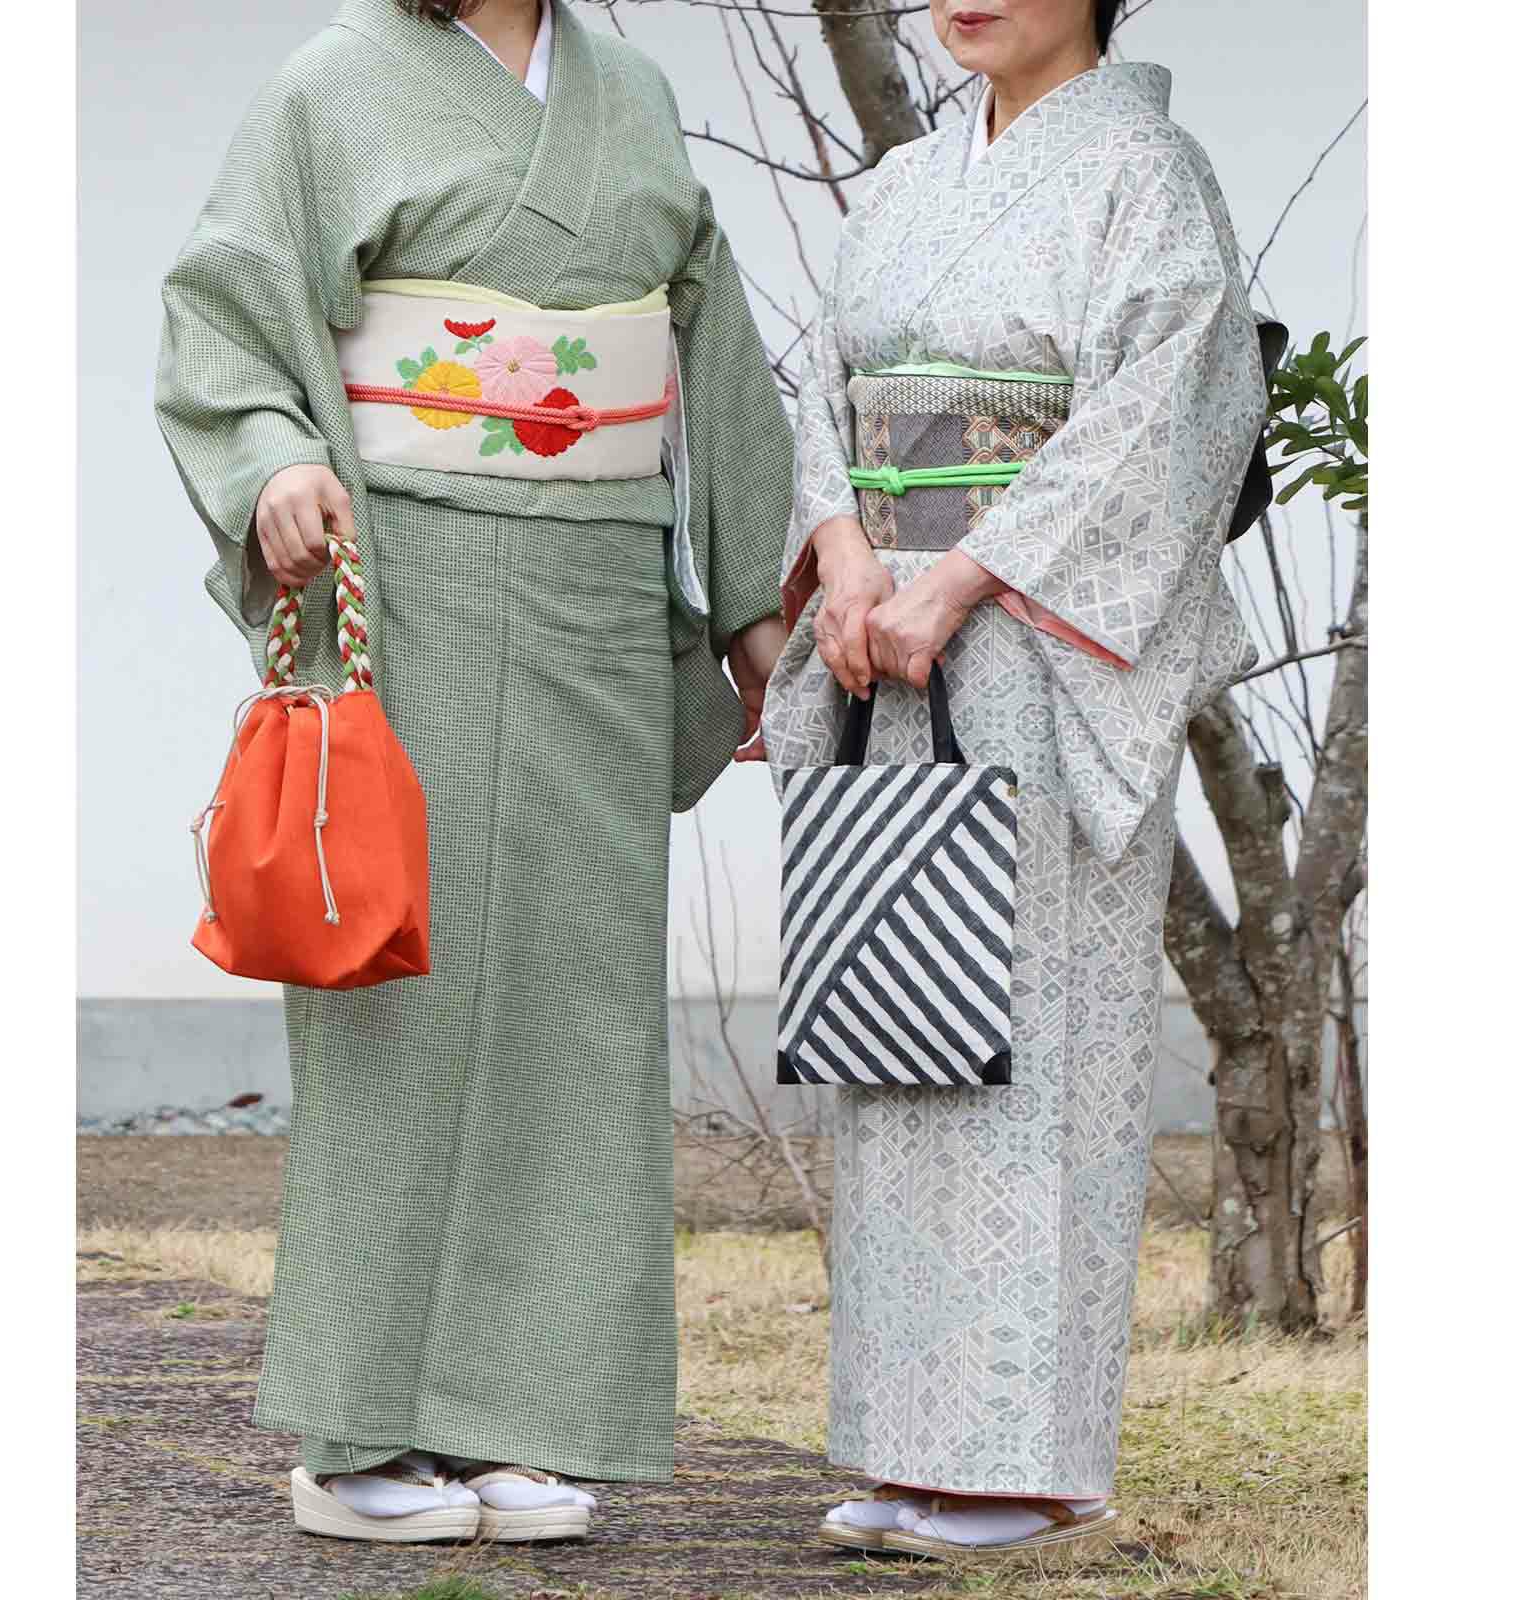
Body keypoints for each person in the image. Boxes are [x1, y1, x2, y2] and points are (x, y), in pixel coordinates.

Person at [155, 0, 791, 1544]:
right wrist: (273, 456)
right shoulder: (330, 89)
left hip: (596, 585)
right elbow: (227, 311)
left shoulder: (630, 92)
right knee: (399, 994)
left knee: (579, 1006)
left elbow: (709, 362)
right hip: (408, 576)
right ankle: (358, 1433)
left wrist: (751, 604)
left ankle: (528, 1414)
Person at [759, 0, 1267, 1560]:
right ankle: (909, 1447)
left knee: (1033, 1043)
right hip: (884, 640)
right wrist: (843, 553)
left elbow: (1165, 422)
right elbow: (821, 397)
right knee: (905, 1027)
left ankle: (1022, 1468)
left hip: (1036, 649)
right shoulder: (907, 183)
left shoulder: (1147, 173)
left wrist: (964, 577)